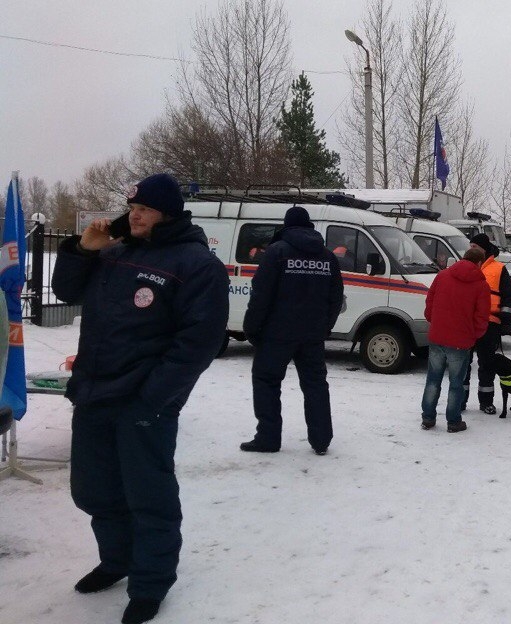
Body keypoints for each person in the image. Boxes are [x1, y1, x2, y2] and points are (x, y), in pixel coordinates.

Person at [51, 173, 229, 624]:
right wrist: (82, 250)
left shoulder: (195, 264)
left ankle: (150, 583)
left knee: (148, 497)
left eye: (144, 210)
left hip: (142, 403)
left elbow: (199, 342)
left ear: (166, 213)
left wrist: (153, 399)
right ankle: (117, 560)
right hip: (94, 394)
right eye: (132, 208)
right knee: (94, 490)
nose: (134, 216)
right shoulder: (115, 251)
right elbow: (66, 292)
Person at [241, 206, 344, 455]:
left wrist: (252, 329)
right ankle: (321, 440)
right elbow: (336, 296)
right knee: (316, 385)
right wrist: (325, 326)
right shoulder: (327, 257)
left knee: (266, 381)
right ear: (308, 226)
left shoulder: (277, 252)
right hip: (313, 336)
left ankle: (268, 437)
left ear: (285, 227)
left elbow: (261, 295)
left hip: (277, 334)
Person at [421, 247, 490, 433]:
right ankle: (453, 421)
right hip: (461, 341)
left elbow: (430, 302)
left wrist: (433, 320)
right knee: (456, 383)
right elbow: (482, 316)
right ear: (479, 263)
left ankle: (427, 418)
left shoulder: (442, 276)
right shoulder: (481, 285)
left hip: (437, 336)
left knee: (433, 380)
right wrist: (474, 334)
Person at [465, 233, 511, 414]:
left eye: (475, 247)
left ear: (484, 250)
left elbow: (508, 297)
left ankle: (486, 402)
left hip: (490, 323)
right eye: (470, 246)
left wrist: (506, 320)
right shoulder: (465, 267)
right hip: (468, 323)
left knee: (487, 364)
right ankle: (461, 401)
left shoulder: (499, 269)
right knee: (464, 364)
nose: (471, 250)